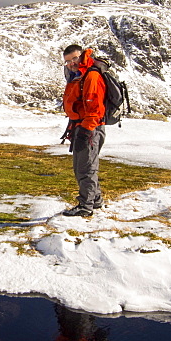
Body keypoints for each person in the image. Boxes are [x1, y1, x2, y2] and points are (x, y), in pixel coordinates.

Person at [61, 45, 106, 217]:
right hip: (82, 126)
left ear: (82, 56)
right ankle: (95, 199)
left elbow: (94, 108)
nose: (71, 63)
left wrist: (86, 132)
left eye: (74, 58)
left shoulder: (91, 76)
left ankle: (85, 206)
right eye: (67, 61)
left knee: (85, 168)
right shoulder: (79, 75)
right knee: (84, 166)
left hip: (90, 128)